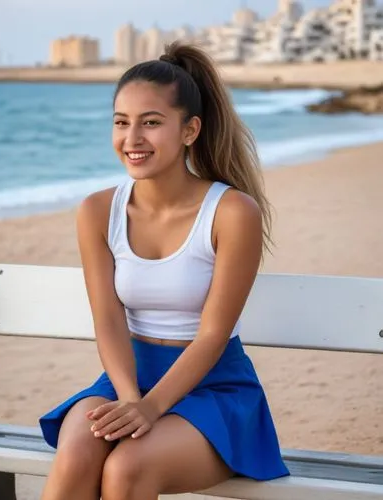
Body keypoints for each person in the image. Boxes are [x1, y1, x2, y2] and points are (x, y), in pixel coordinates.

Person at [39, 41, 289, 500]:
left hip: (213, 389)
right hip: (125, 380)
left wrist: (152, 407)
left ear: (189, 130)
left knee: (127, 469)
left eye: (151, 123)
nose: (132, 139)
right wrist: (131, 398)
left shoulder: (232, 212)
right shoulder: (97, 211)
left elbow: (213, 335)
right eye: (121, 122)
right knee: (77, 451)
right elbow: (108, 320)